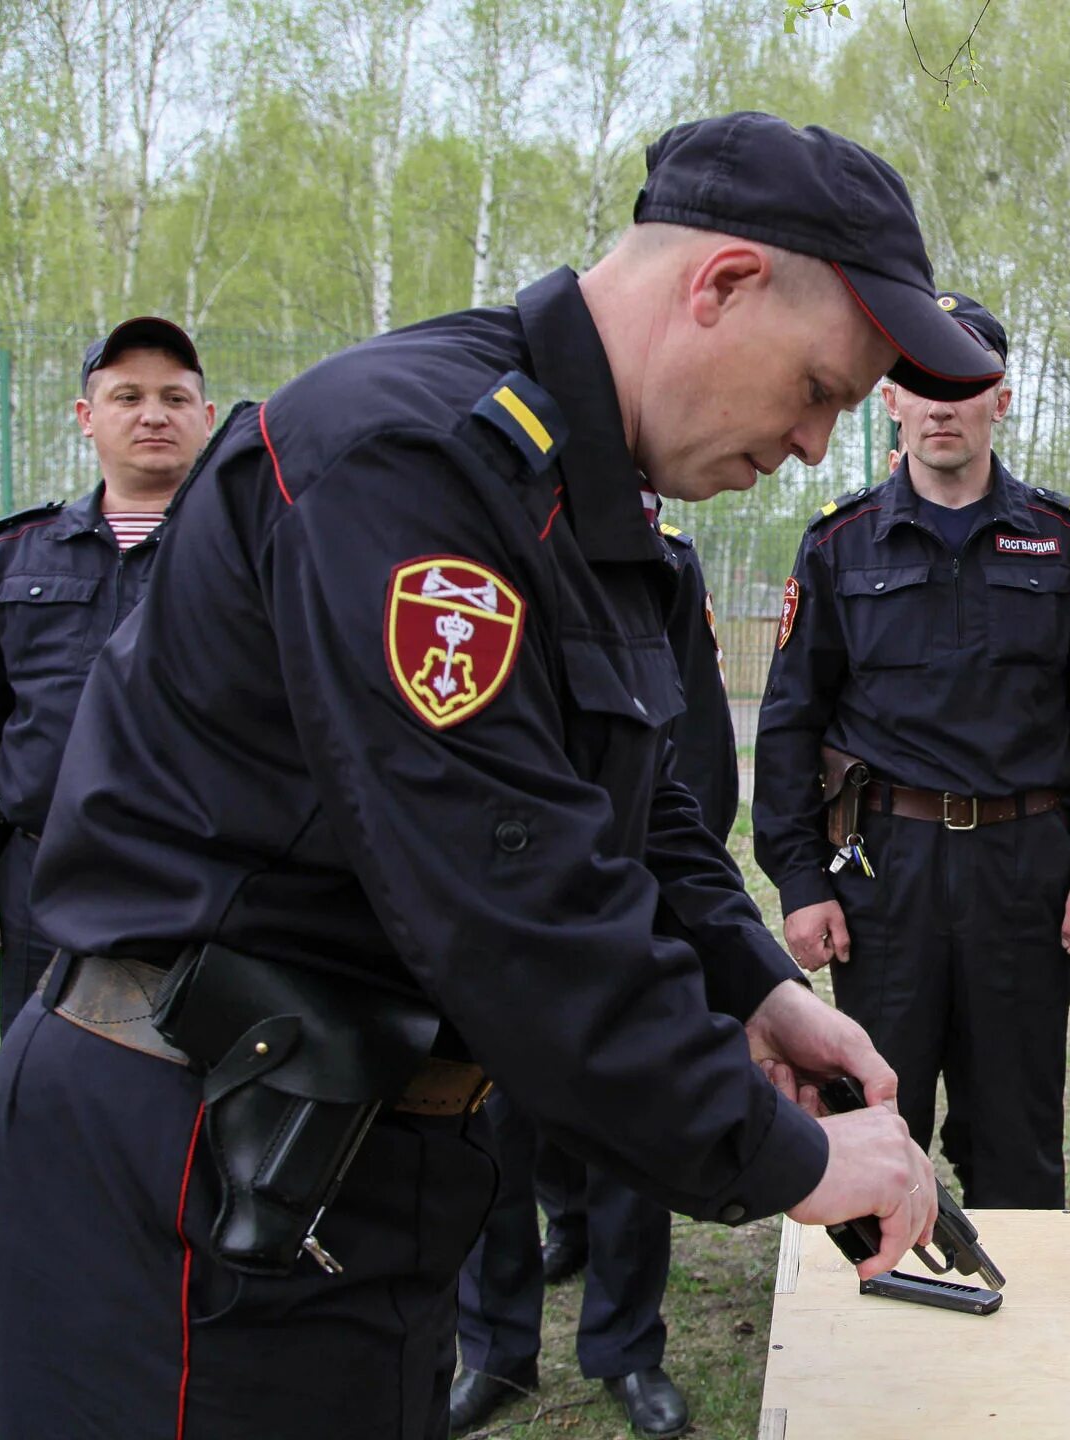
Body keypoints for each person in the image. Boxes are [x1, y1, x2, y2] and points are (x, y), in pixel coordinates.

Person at [0, 111, 999, 1439]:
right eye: (818, 392)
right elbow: (506, 889)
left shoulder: (586, 490)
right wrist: (787, 1155)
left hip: (345, 1168)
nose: (815, 448)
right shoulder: (414, 462)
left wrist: (754, 985)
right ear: (725, 283)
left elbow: (634, 794)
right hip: (196, 1165)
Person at [752, 291, 1070, 1208]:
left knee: (1018, 1133)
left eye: (963, 383)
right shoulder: (840, 546)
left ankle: (1020, 1334)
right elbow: (789, 721)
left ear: (1000, 398)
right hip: (887, 873)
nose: (940, 404)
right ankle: (874, 1328)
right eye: (917, 382)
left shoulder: (1068, 544)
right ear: (888, 398)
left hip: (1026, 870)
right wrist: (801, 881)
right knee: (873, 1114)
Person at [0, 317, 215, 1433]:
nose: (150, 413)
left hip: (196, 894)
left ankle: (180, 1345)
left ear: (205, 417)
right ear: (86, 416)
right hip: (45, 889)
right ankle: (40, 1365)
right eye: (126, 395)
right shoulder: (13, 557)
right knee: (47, 1129)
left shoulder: (243, 551)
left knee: (187, 1126)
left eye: (173, 395)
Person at [450, 516, 737, 1438]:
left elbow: (690, 736)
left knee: (634, 1132)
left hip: (629, 889)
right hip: (495, 904)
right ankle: (494, 1347)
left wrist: (672, 894)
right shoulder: (468, 545)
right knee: (487, 1135)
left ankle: (625, 1349)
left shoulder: (658, 563)